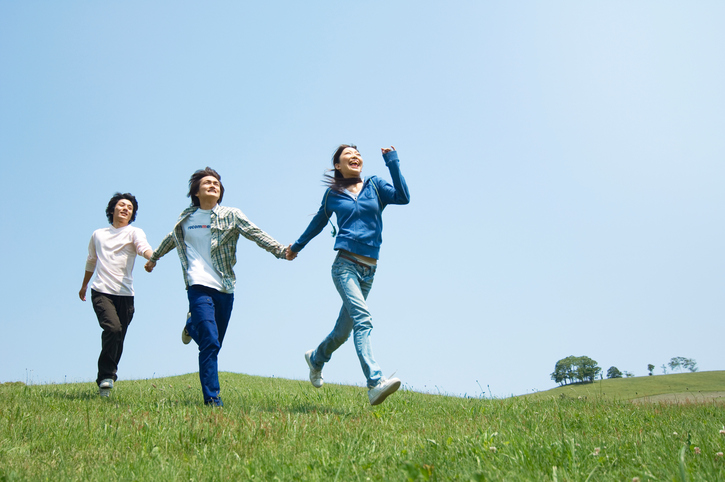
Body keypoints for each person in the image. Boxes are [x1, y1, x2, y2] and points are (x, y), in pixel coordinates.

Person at [144, 167, 293, 406]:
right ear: (196, 192)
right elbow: (171, 239)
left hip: (224, 287)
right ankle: (212, 399)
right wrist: (154, 258)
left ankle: (192, 327)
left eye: (216, 183)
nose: (213, 185)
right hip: (197, 285)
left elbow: (255, 233)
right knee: (210, 342)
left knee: (215, 342)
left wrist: (280, 251)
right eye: (207, 183)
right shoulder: (185, 219)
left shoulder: (231, 215)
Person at [288, 144, 410, 405]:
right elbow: (317, 223)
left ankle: (317, 358)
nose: (355, 156)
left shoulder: (375, 186)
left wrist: (392, 161)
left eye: (357, 154)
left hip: (369, 271)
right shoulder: (333, 194)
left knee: (342, 333)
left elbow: (403, 197)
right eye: (347, 155)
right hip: (344, 266)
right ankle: (375, 382)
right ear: (338, 166)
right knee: (363, 319)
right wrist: (295, 248)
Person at [80, 192, 153, 397]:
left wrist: (152, 257)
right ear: (112, 209)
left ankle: (107, 379)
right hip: (101, 290)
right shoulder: (98, 234)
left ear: (132, 215)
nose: (125, 209)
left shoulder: (134, 232)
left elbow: (143, 248)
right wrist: (84, 286)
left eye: (129, 208)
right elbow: (91, 261)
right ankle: (106, 376)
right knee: (112, 329)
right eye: (121, 205)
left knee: (119, 336)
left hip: (125, 294)